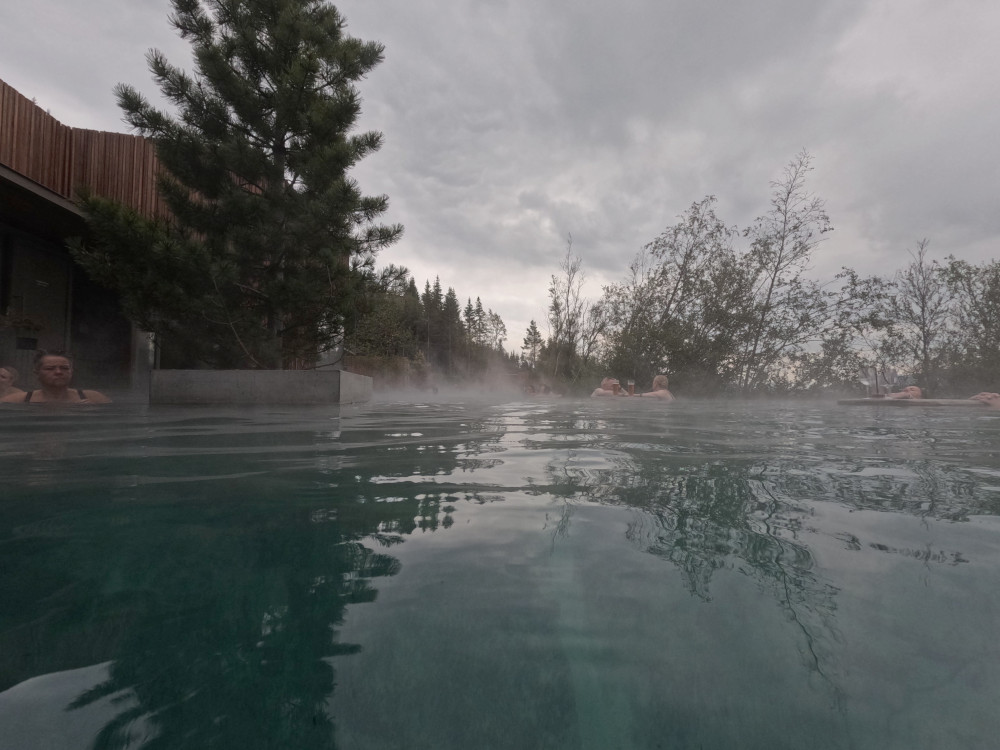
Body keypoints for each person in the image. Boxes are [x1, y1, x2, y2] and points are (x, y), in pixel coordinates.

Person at [0, 350, 111, 404]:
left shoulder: (95, 398)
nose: (58, 372)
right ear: (37, 373)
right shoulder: (15, 401)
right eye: (50, 368)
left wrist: (93, 412)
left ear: (71, 372)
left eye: (64, 368)